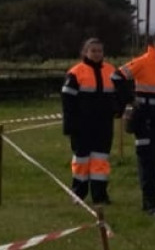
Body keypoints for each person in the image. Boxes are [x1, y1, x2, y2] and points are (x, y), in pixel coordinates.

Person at [112, 29, 155, 217]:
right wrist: (129, 99)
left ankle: (153, 198)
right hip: (144, 117)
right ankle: (149, 203)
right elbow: (117, 76)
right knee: (147, 159)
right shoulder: (143, 61)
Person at [61, 37, 120, 207]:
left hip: (103, 125)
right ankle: (78, 194)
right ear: (85, 52)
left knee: (100, 161)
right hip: (82, 125)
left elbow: (119, 93)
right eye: (93, 50)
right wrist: (69, 125)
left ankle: (100, 195)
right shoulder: (76, 72)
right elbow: (67, 101)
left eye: (99, 51)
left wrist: (118, 109)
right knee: (81, 160)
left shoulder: (110, 70)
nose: (96, 54)